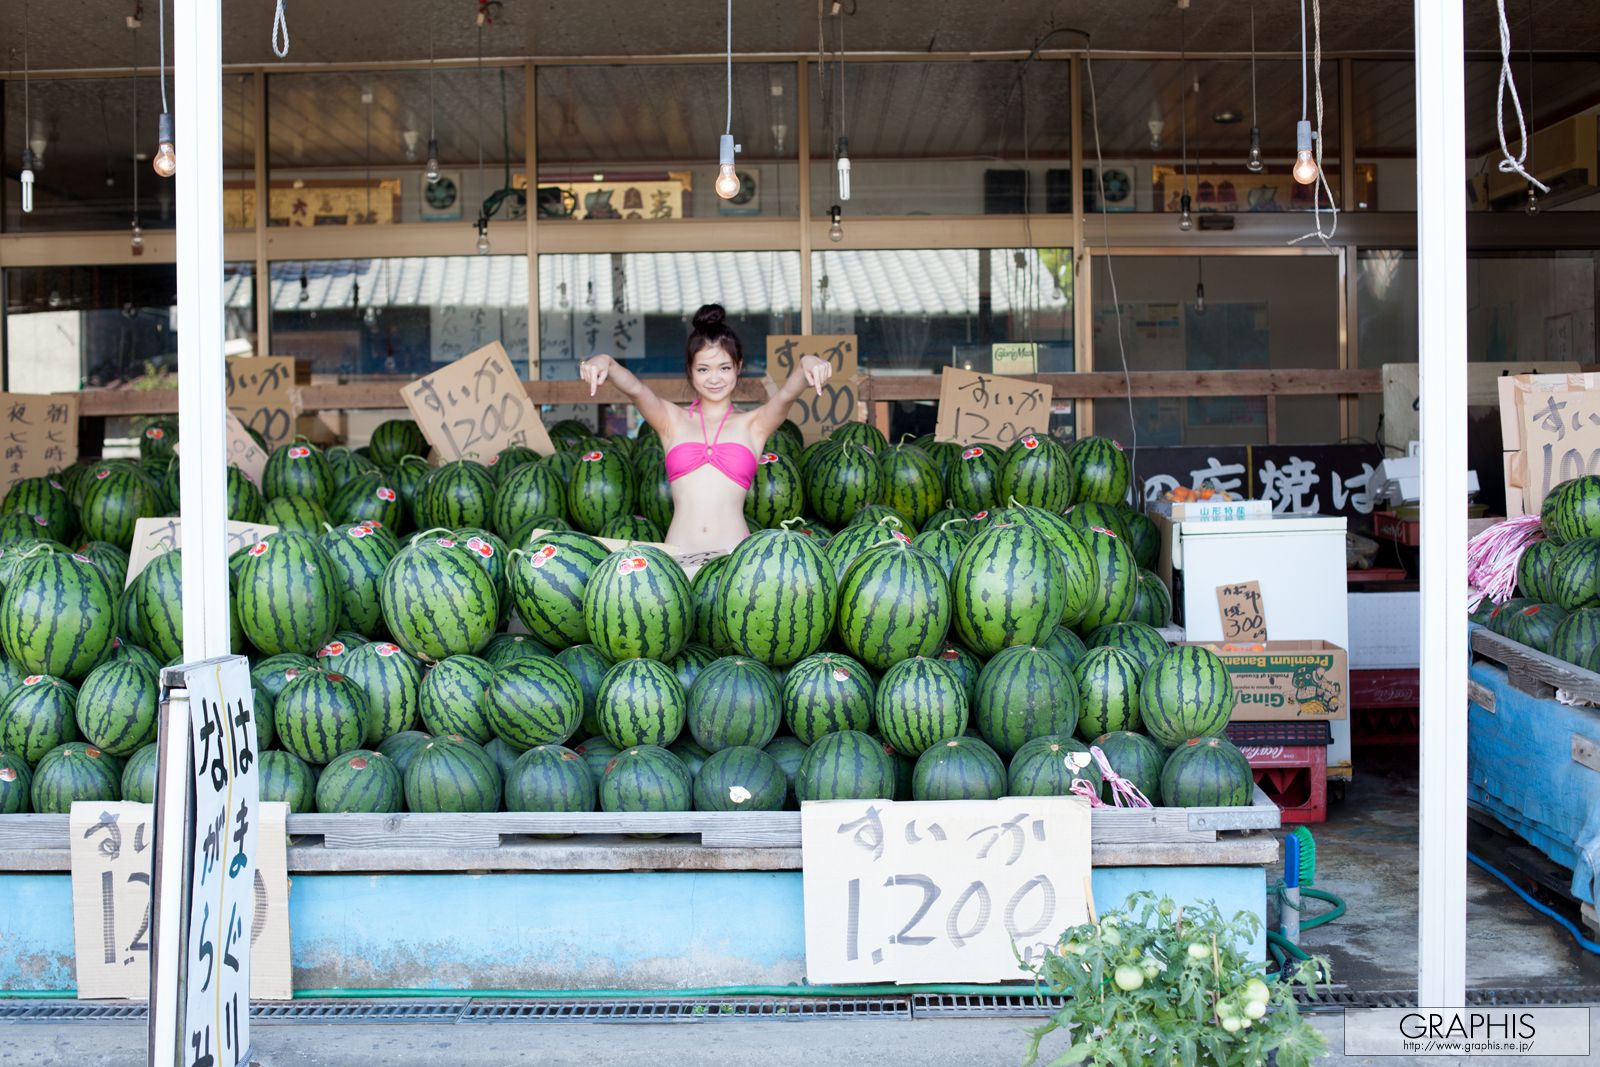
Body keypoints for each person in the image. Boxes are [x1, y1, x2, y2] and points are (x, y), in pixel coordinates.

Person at [578, 304, 831, 553]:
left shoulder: (755, 424)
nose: (714, 378)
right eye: (703, 369)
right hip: (679, 561)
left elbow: (786, 396)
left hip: (734, 564)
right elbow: (636, 390)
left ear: (738, 367)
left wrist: (807, 363)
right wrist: (607, 363)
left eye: (724, 368)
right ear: (690, 370)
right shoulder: (671, 420)